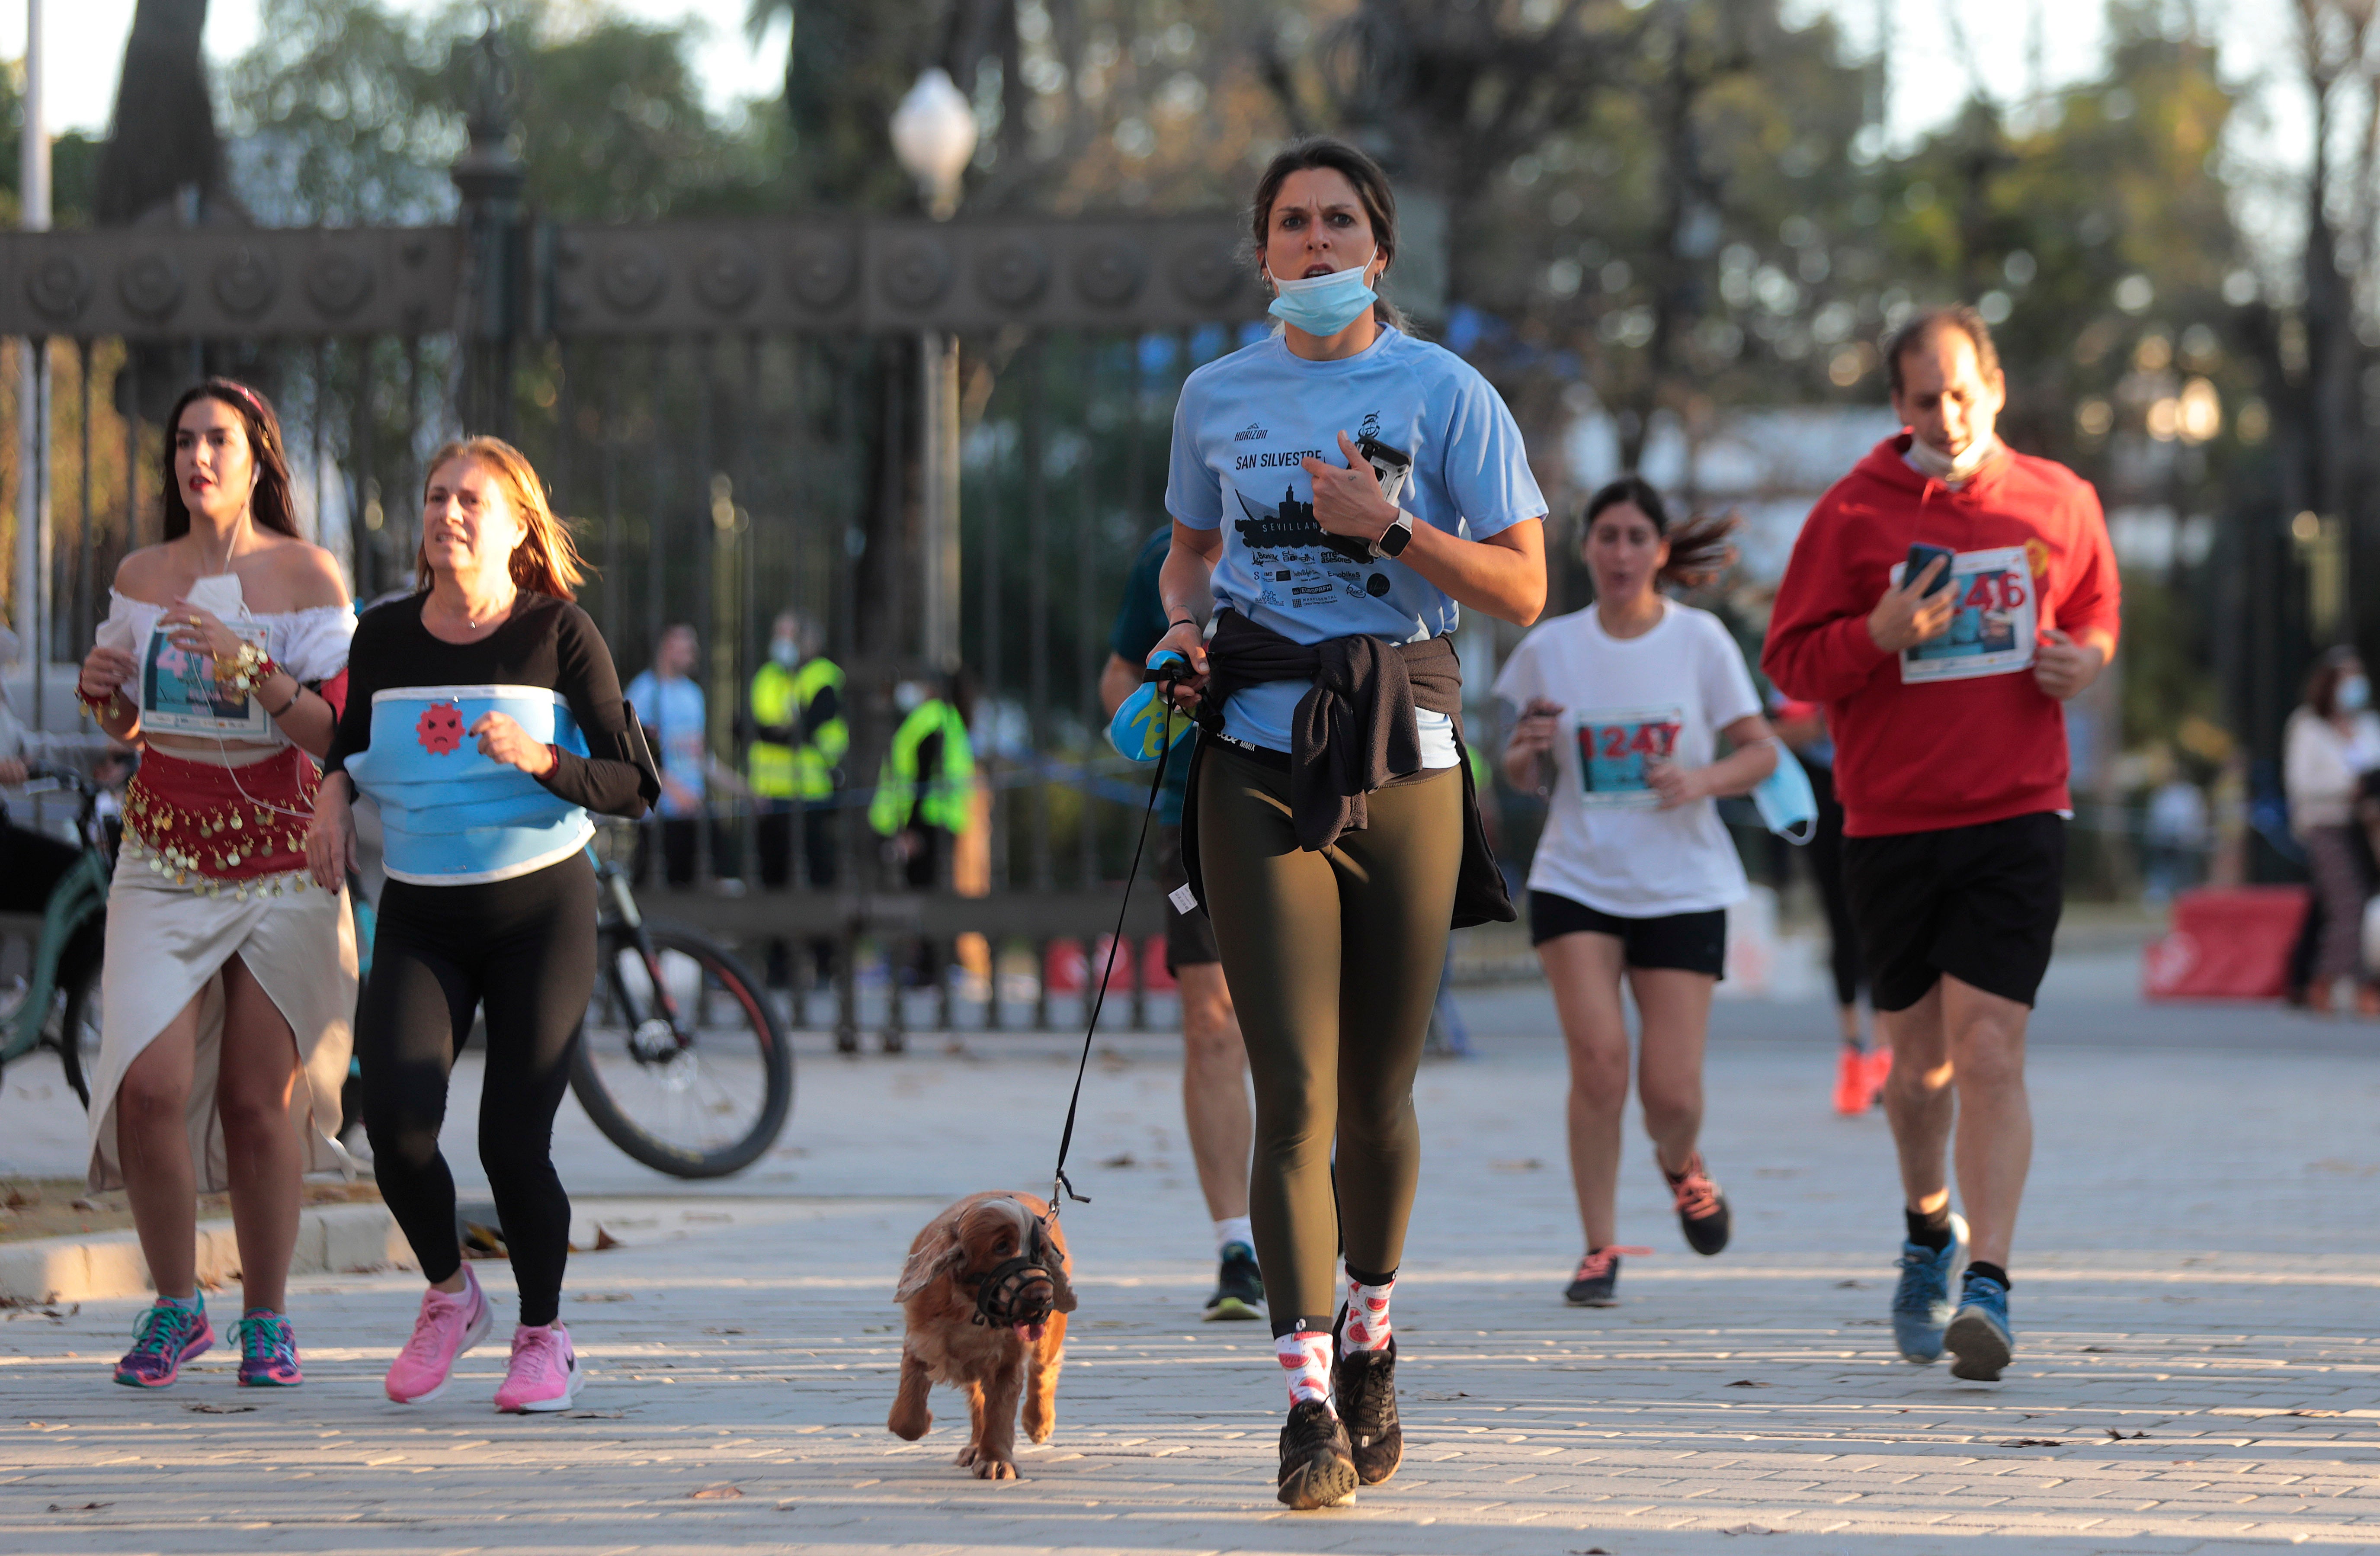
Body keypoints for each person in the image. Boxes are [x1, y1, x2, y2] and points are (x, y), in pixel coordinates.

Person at [1156, 137, 1547, 1507]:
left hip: (1408, 754)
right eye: (1288, 225)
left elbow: (1523, 588)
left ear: (1380, 250)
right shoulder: (1214, 394)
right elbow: (1187, 550)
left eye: (1336, 224)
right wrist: (1183, 634)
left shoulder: (1447, 390)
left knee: (1379, 1095)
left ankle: (1372, 1327)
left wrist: (1390, 530)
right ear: (1261, 252)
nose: (1314, 247)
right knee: (1295, 1094)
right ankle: (1305, 1399)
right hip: (1253, 755)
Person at [1763, 304, 2119, 1384]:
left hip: (2017, 812)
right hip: (1893, 823)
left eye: (1963, 392)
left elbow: (2095, 609)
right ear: (1898, 406)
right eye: (1926, 398)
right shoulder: (1850, 515)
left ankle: (1993, 1284)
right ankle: (1929, 1231)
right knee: (1918, 1069)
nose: (1948, 413)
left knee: (1993, 1046)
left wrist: (2084, 661)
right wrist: (1874, 635)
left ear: (1996, 386)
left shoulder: (2060, 499)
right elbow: (1792, 661)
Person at [306, 436, 656, 1413]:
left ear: (515, 527)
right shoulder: (381, 635)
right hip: (422, 909)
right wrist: (330, 796)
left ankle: (544, 1333)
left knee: (512, 1141)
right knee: (400, 1129)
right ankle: (453, 1294)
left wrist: (546, 760)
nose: (448, 513)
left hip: (540, 908)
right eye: (434, 497)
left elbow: (637, 783)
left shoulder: (560, 631)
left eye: (471, 500)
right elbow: (347, 739)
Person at [74, 379, 358, 1391]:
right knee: (148, 1088)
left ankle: (267, 1316)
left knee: (252, 1100)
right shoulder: (143, 572)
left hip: (281, 857)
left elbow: (339, 734)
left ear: (258, 455)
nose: (199, 458)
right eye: (185, 441)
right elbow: (135, 730)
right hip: (164, 851)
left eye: (219, 440)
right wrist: (107, 703)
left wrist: (253, 668)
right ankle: (176, 1301)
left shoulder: (307, 573)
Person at [1494, 477, 1777, 1309]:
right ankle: (1597, 1246)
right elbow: (1519, 771)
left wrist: (1699, 779)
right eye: (1605, 537)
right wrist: (1529, 750)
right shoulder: (1550, 647)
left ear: (1659, 550)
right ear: (1584, 549)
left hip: (1682, 882)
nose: (1619, 553)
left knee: (1672, 1093)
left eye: (1634, 537)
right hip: (1576, 877)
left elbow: (1760, 752)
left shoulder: (1702, 642)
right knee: (1598, 1064)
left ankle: (1682, 1165)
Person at [1100, 526, 1264, 1322]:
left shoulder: (1326, 530)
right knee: (1210, 1024)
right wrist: (1156, 702)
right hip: (1190, 815)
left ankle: (1322, 1201)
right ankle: (1237, 1244)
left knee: (1311, 1026)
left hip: (1310, 804)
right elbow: (1118, 679)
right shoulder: (1162, 561)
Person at [1771, 695, 1889, 1114]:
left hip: (1877, 794)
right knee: (1843, 927)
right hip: (1823, 796)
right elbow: (1777, 733)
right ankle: (1853, 1053)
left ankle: (1883, 1052)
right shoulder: (1798, 668)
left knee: (1882, 927)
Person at [2283, 647, 2380, 1016]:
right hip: (2325, 824)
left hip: (2365, 826)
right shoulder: (2308, 726)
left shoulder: (2367, 725)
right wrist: (2348, 786)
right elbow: (2300, 782)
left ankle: (2322, 979)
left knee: (2345, 906)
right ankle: (2336, 981)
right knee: (2348, 906)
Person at [625, 624, 735, 886]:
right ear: (666, 647)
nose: (692, 652)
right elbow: (638, 754)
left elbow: (701, 757)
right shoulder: (644, 692)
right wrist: (676, 793)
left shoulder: (694, 694)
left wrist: (744, 789)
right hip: (662, 816)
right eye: (684, 645)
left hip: (694, 812)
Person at [747, 611, 846, 892]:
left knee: (816, 876)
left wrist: (764, 730)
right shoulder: (768, 676)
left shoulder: (821, 676)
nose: (782, 641)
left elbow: (800, 730)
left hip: (811, 792)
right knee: (772, 877)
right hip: (769, 794)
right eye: (778, 634)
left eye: (789, 634)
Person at [868, 676, 975, 891]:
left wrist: (913, 831)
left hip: (924, 823)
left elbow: (923, 776)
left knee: (919, 897)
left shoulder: (930, 718)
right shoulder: (951, 720)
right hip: (942, 821)